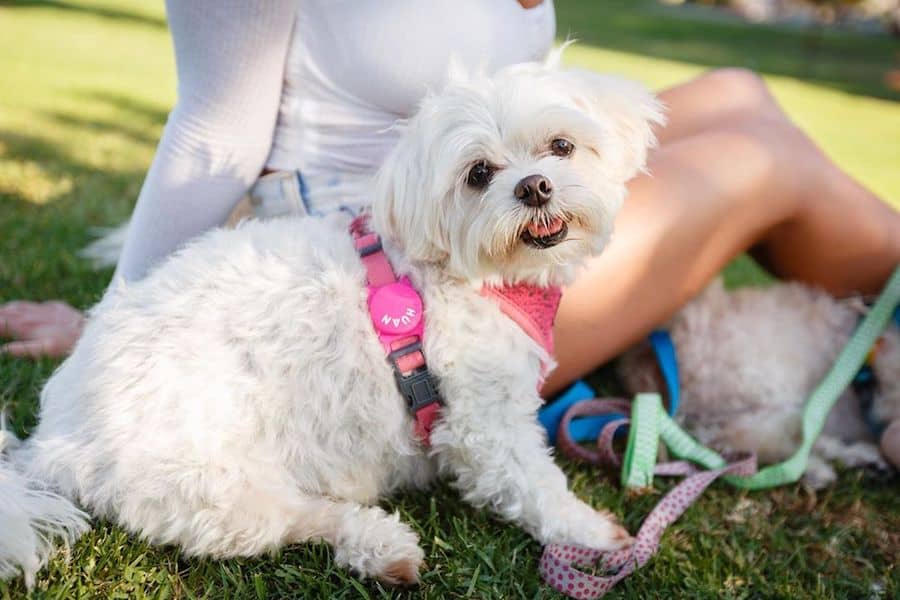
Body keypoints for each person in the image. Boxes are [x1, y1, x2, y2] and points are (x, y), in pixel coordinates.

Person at [1, 0, 898, 399]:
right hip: (385, 267)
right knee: (757, 162)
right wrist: (120, 325)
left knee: (742, 90)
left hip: (490, 184)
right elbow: (212, 130)